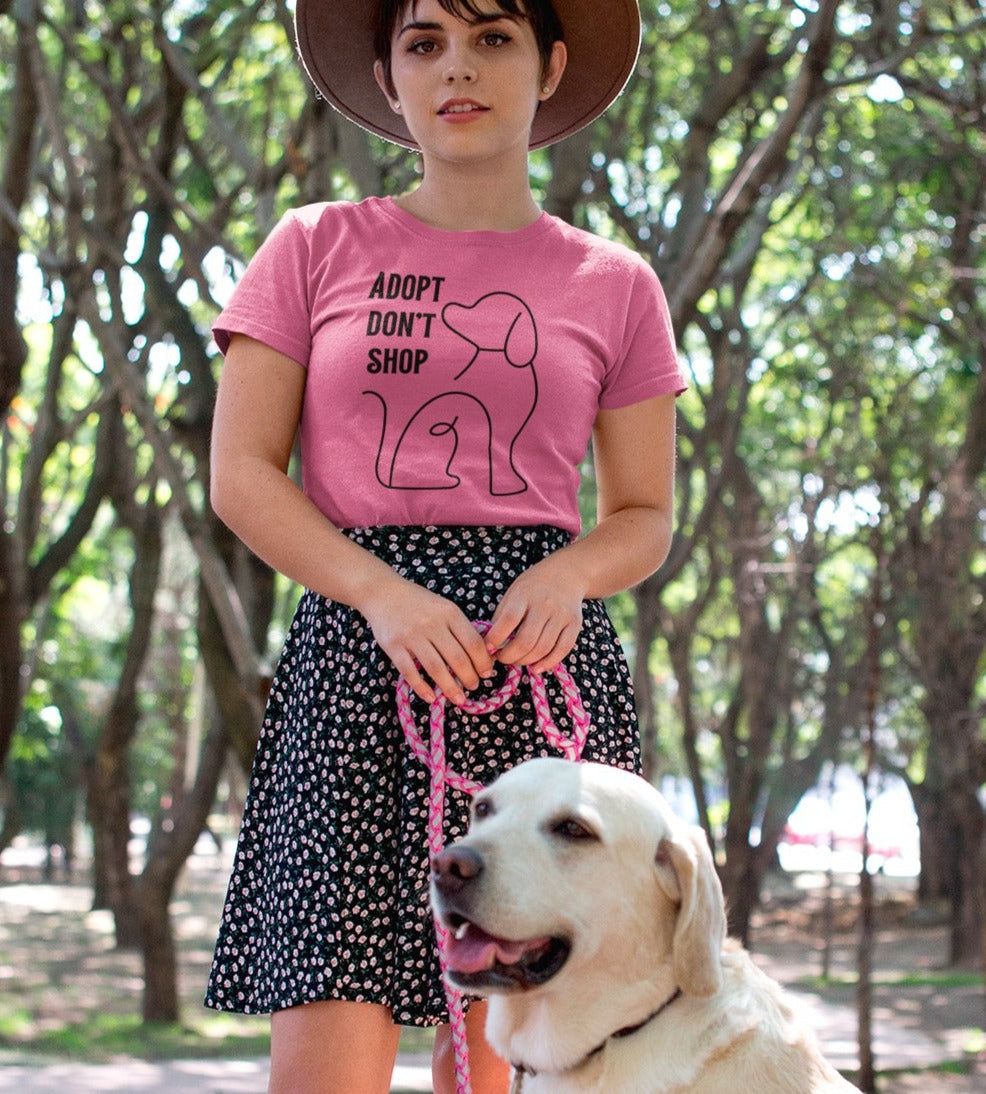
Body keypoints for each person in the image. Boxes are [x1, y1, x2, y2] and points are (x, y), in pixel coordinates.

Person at [204, 0, 684, 1090]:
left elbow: (643, 512)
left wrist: (567, 575)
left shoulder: (614, 282)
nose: (455, 68)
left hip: (540, 674)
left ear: (549, 63)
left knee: (513, 1059)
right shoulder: (312, 245)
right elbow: (240, 475)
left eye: (492, 38)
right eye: (423, 42)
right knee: (324, 1053)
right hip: (357, 659)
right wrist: (381, 595)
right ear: (387, 71)